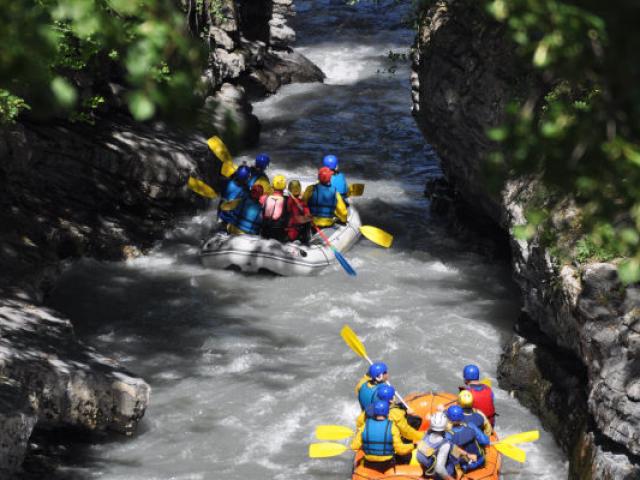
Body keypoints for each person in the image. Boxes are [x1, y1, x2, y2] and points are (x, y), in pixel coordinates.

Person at [356, 385, 423, 465]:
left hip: (372, 444)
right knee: (415, 420)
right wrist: (422, 437)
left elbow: (359, 423)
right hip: (390, 449)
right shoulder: (396, 414)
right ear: (391, 400)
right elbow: (407, 432)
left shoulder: (370, 409)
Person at [350, 401, 414, 474]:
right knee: (405, 456)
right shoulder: (392, 427)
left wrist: (365, 444)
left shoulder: (364, 426)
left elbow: (354, 446)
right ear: (387, 412)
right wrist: (414, 446)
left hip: (369, 464)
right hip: (387, 465)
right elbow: (400, 450)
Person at [445, 405, 489, 475]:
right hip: (479, 461)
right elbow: (485, 441)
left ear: (449, 419)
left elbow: (452, 452)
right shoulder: (471, 426)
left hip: (465, 466)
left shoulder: (448, 435)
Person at [415, 412, 455, 480]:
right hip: (436, 473)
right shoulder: (445, 444)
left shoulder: (427, 434)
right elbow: (439, 468)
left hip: (426, 466)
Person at [261, 175, 288, 241]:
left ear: (273, 184)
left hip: (265, 230)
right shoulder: (287, 200)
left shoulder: (265, 197)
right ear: (284, 186)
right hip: (279, 233)